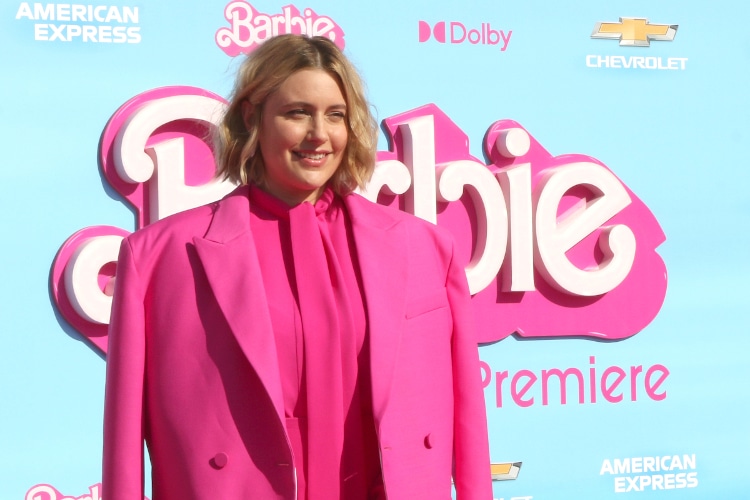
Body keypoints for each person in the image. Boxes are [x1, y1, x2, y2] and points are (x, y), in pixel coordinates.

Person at [102, 34, 492, 499]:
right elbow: (125, 445)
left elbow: (466, 416)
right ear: (252, 117)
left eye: (335, 115)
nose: (319, 135)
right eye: (297, 113)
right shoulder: (160, 257)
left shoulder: (426, 247)